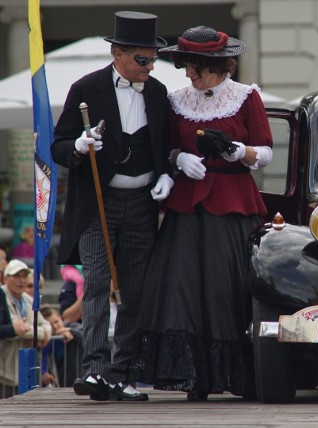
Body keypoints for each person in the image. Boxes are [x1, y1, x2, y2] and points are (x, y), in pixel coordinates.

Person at [130, 25, 273, 401]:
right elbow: (166, 148)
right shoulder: (176, 99)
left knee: (226, 288)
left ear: (215, 65)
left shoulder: (246, 97)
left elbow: (266, 152)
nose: (188, 75)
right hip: (188, 202)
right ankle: (196, 377)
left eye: (193, 67)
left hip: (232, 201)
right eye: (185, 67)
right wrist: (180, 158)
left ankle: (236, 376)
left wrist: (237, 152)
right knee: (182, 288)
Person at [51, 11, 173, 402]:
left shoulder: (157, 93)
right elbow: (58, 146)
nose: (150, 66)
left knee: (135, 290)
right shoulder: (86, 88)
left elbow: (166, 144)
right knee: (99, 284)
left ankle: (123, 372)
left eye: (153, 59)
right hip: (98, 205)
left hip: (142, 203)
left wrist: (168, 172)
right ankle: (95, 371)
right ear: (118, 54)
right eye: (142, 59)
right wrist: (78, 146)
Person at [0, 259, 52, 397]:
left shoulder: (27, 299)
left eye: (24, 276)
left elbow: (46, 326)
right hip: (5, 369)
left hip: (24, 368)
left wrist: (36, 331)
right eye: (17, 276)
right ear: (6, 278)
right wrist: (40, 333)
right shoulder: (2, 295)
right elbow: (17, 328)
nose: (21, 281)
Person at [41, 306, 84, 387]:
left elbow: (87, 337)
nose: (55, 327)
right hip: (61, 382)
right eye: (50, 325)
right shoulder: (47, 339)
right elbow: (41, 354)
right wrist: (43, 372)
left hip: (80, 377)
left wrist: (72, 332)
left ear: (61, 318)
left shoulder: (73, 327)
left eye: (56, 322)